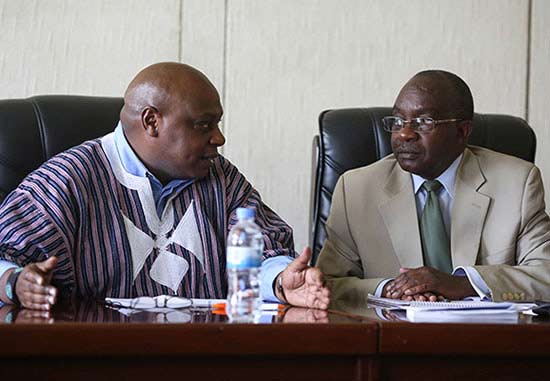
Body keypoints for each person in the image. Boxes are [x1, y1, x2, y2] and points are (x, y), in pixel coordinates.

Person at [0, 62, 329, 311]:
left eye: (217, 123)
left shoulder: (221, 178)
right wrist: (16, 282)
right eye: (204, 125)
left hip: (210, 357)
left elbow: (263, 252)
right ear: (151, 121)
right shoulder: (68, 180)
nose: (219, 138)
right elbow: (6, 257)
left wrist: (281, 281)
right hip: (98, 362)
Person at [316, 70, 550, 303]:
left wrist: (462, 284)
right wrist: (390, 289)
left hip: (486, 336)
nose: (405, 133)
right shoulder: (356, 189)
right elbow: (326, 284)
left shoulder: (517, 183)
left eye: (424, 122)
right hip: (391, 334)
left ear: (462, 131)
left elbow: (545, 277)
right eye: (398, 121)